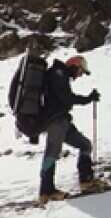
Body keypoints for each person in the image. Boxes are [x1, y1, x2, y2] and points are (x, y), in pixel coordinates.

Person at [38, 55, 100, 203]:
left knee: (85, 144)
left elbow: (65, 98)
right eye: (80, 71)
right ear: (74, 65)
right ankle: (46, 191)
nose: (79, 75)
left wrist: (88, 99)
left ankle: (86, 180)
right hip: (55, 122)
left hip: (62, 122)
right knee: (51, 154)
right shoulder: (58, 74)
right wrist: (88, 99)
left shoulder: (60, 75)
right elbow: (67, 98)